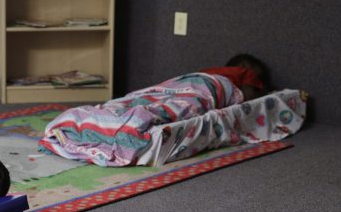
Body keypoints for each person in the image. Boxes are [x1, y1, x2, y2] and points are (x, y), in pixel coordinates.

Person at [39, 53, 275, 166]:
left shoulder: (216, 75)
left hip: (189, 86)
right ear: (244, 68)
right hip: (200, 88)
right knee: (157, 103)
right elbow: (252, 96)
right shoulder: (233, 76)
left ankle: (91, 121)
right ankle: (117, 124)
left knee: (140, 102)